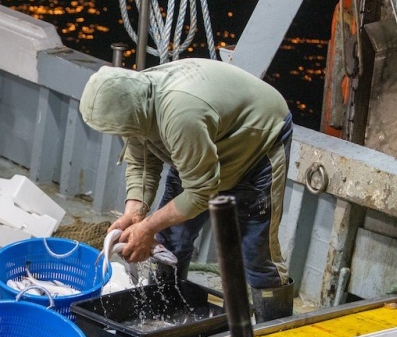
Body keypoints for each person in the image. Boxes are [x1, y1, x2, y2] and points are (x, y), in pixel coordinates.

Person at [79, 58, 294, 322]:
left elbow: (201, 192)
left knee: (257, 253)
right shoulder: (130, 101)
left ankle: (275, 328)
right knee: (172, 239)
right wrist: (134, 213)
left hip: (258, 144)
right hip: (202, 150)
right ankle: (168, 318)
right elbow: (141, 162)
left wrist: (147, 228)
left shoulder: (181, 115)